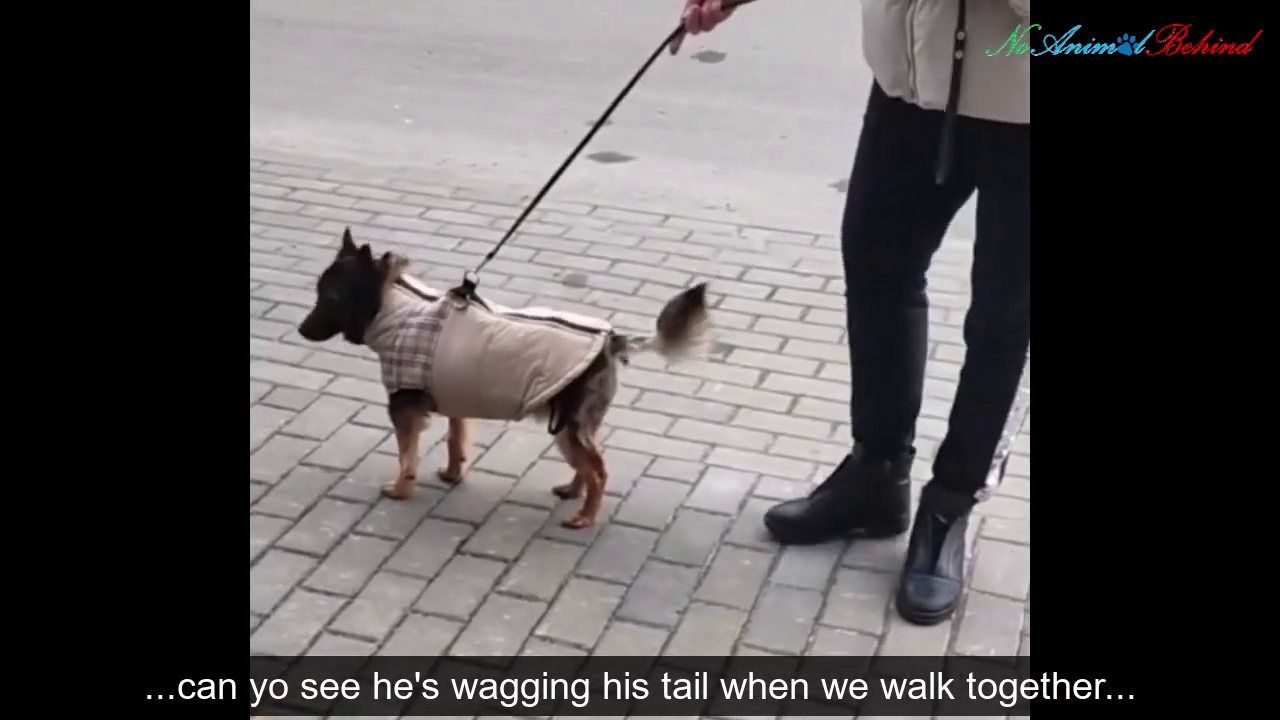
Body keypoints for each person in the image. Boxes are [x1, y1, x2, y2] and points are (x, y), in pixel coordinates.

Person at [673, 0, 1030, 626]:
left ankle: (949, 505)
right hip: (909, 81)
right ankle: (877, 475)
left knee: (1004, 317)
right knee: (877, 266)